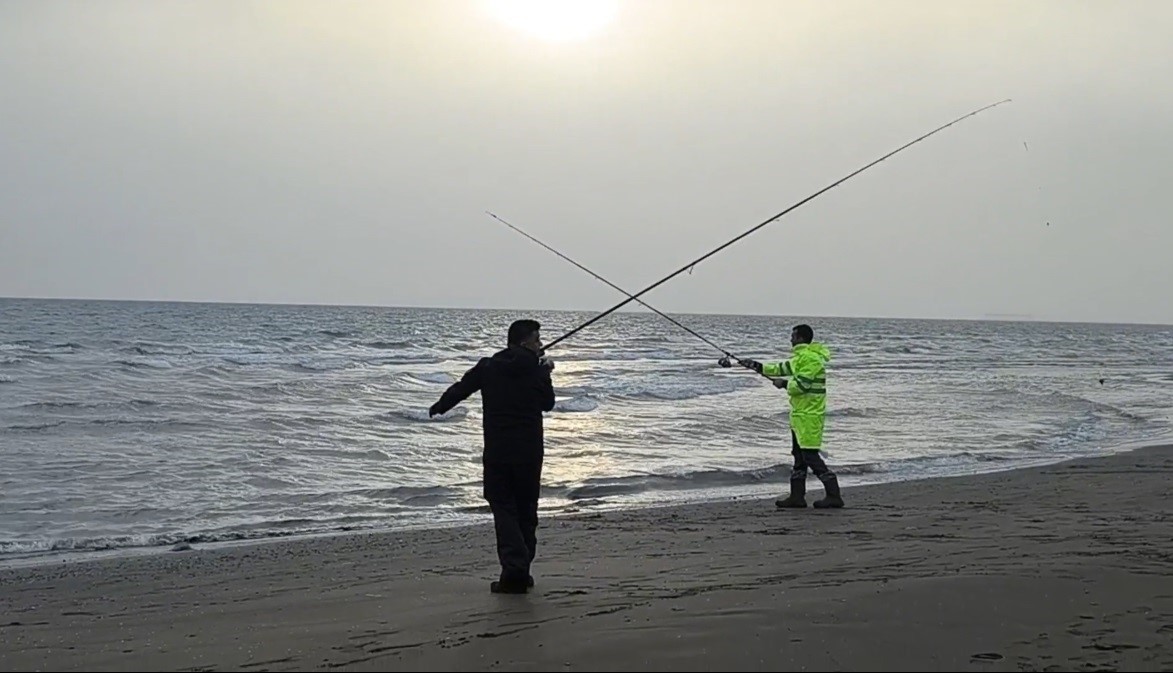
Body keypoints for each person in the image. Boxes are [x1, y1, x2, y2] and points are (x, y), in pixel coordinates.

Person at [429, 319, 555, 593]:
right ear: (525, 343)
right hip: (530, 452)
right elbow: (548, 404)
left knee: (503, 508)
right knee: (526, 510)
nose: (541, 345)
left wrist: (439, 406)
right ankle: (520, 570)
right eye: (537, 340)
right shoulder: (536, 371)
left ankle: (515, 570)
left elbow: (461, 388)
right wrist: (546, 373)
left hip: (498, 451)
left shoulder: (488, 366)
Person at [719, 324, 843, 509]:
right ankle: (797, 497)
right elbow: (778, 368)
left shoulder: (810, 359)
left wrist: (784, 384)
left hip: (810, 416)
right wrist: (755, 365)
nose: (790, 339)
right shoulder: (801, 357)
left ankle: (834, 495)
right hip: (800, 416)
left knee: (810, 457)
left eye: (793, 336)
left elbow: (801, 386)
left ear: (801, 338)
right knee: (799, 457)